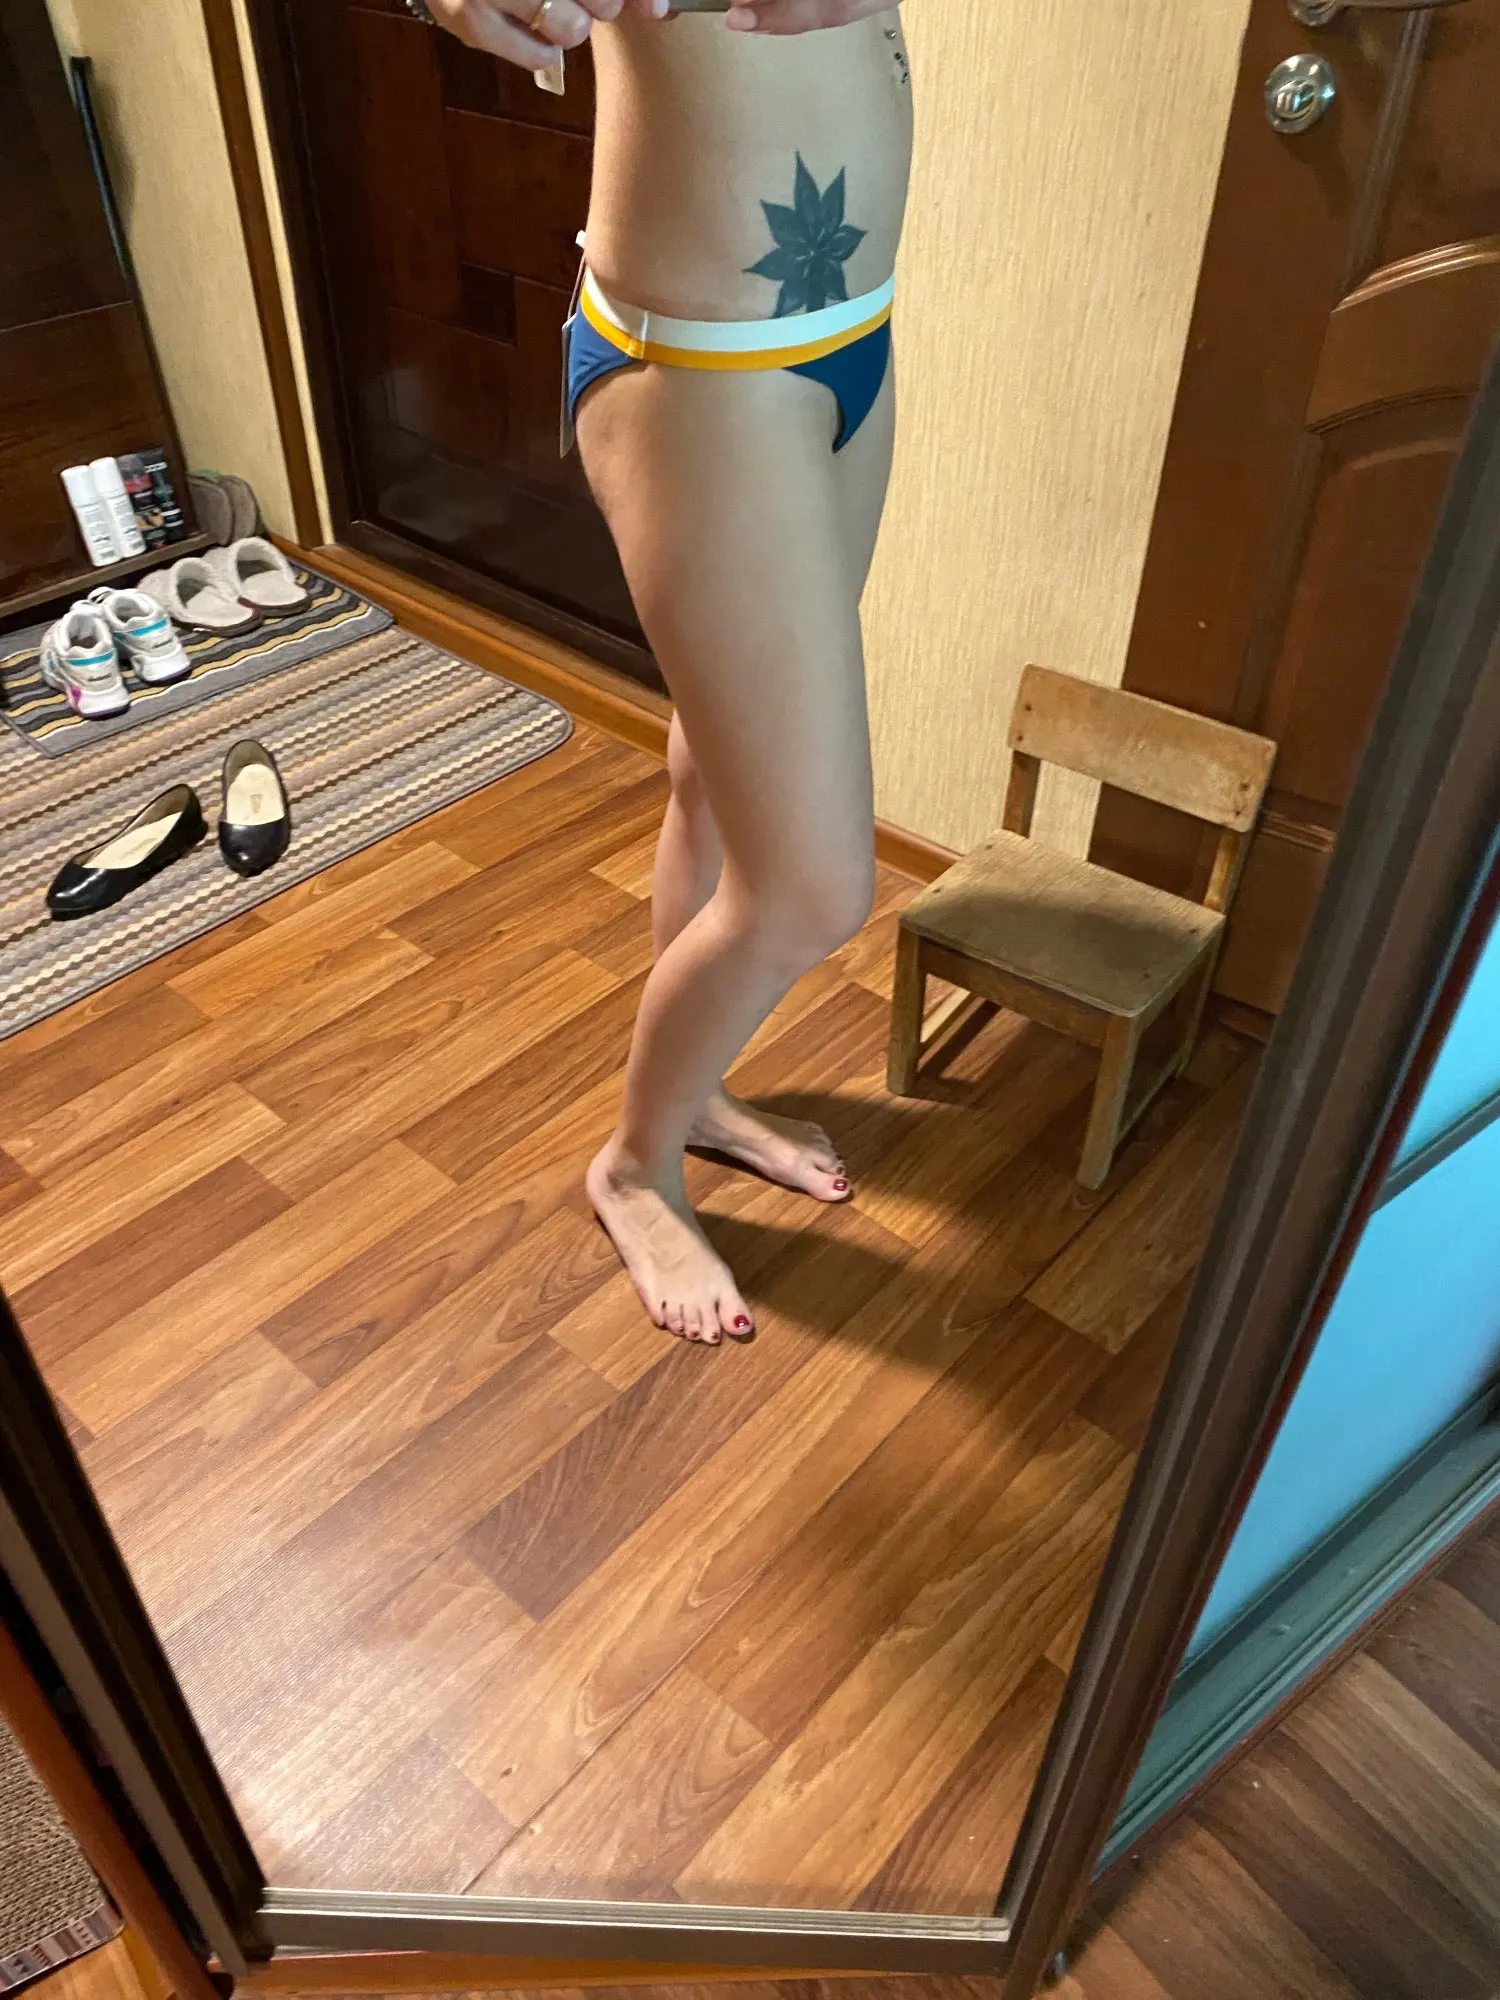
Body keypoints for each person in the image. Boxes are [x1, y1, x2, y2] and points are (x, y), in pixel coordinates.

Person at [429, 0, 913, 1346]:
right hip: (703, 368)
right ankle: (637, 1166)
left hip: (853, 335)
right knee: (812, 885)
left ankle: (696, 1100)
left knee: (718, 772)